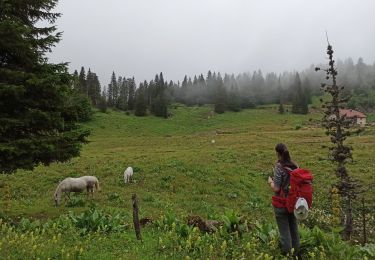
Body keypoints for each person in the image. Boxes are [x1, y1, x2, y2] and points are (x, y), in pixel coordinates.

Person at [268, 143, 300, 257]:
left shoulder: (279, 167)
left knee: (284, 231)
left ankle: (287, 254)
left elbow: (276, 188)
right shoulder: (295, 166)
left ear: (277, 153)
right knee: (294, 228)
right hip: (294, 202)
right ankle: (296, 254)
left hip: (281, 203)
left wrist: (270, 182)